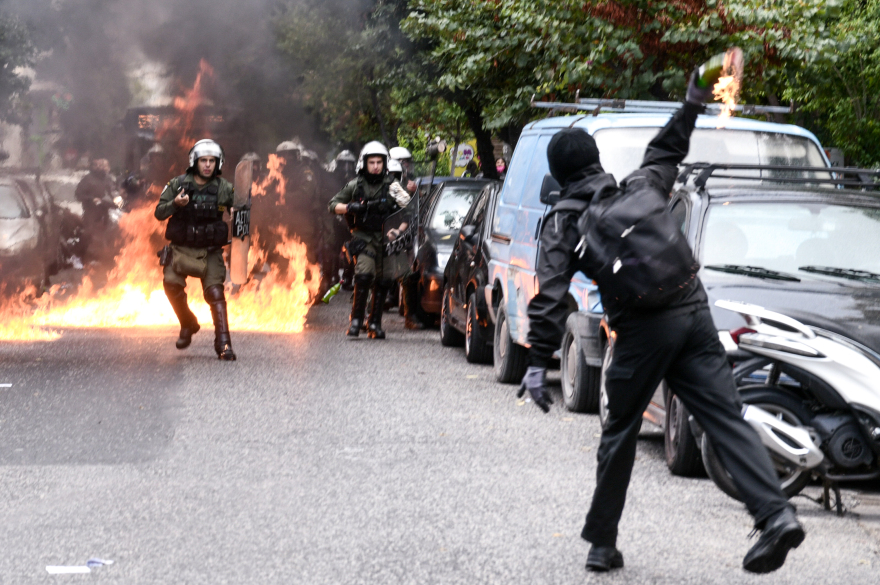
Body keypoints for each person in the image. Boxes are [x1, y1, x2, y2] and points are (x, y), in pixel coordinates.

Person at [518, 68, 804, 575]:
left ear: (559, 176)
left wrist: (539, 361)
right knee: (725, 418)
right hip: (693, 309)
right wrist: (693, 100)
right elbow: (669, 144)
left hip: (641, 330)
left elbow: (550, 294)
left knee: (620, 431)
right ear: (597, 161)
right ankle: (775, 514)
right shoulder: (643, 184)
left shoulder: (564, 220)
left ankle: (602, 544)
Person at [154, 139, 236, 361]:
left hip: (210, 251)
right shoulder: (177, 184)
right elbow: (159, 212)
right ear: (195, 162)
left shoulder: (225, 188)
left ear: (218, 163)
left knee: (215, 293)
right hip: (181, 249)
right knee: (171, 285)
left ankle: (224, 343)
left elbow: (240, 215)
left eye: (212, 161)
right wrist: (175, 204)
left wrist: (239, 213)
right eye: (203, 161)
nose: (207, 165)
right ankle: (188, 323)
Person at [328, 141, 405, 338]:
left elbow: (408, 211)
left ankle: (375, 323)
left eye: (379, 162)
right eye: (372, 162)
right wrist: (350, 207)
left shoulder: (393, 186)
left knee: (384, 281)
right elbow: (332, 205)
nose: (376, 166)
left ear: (384, 163)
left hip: (385, 240)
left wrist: (398, 231)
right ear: (365, 163)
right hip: (363, 238)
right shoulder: (356, 185)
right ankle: (356, 320)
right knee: (364, 275)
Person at [74, 158, 117, 263]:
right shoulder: (87, 179)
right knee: (89, 234)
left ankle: (106, 258)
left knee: (107, 234)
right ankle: (82, 257)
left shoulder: (108, 178)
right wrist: (91, 199)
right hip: (91, 212)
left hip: (105, 211)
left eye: (103, 165)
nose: (101, 167)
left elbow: (113, 191)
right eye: (98, 165)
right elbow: (78, 195)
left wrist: (119, 201)